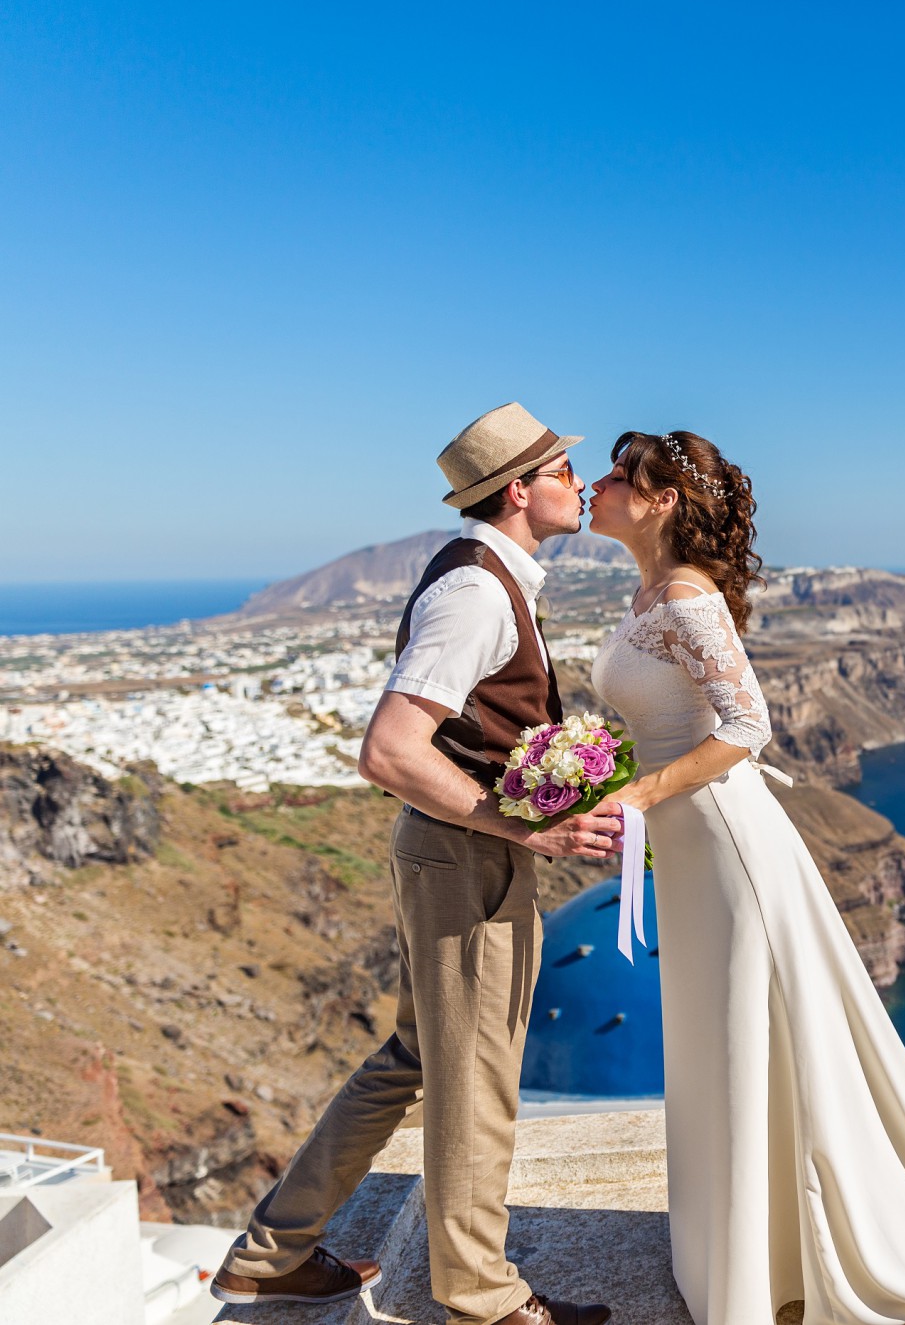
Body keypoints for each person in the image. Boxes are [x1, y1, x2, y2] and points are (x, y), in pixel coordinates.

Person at [585, 429, 905, 1325]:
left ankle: (764, 1263)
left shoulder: (687, 598)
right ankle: (729, 1247)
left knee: (742, 1033)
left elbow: (748, 724)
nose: (597, 485)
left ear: (660, 502)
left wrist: (641, 793)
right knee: (711, 1035)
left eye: (620, 476)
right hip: (689, 843)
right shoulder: (647, 591)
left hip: (725, 842)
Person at [214, 402, 624, 1325]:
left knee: (414, 1056)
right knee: (472, 1076)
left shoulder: (487, 576)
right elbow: (391, 748)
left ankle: (270, 1253)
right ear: (521, 491)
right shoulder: (478, 592)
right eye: (564, 472)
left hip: (450, 850)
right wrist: (526, 831)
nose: (581, 485)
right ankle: (481, 1297)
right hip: (464, 856)